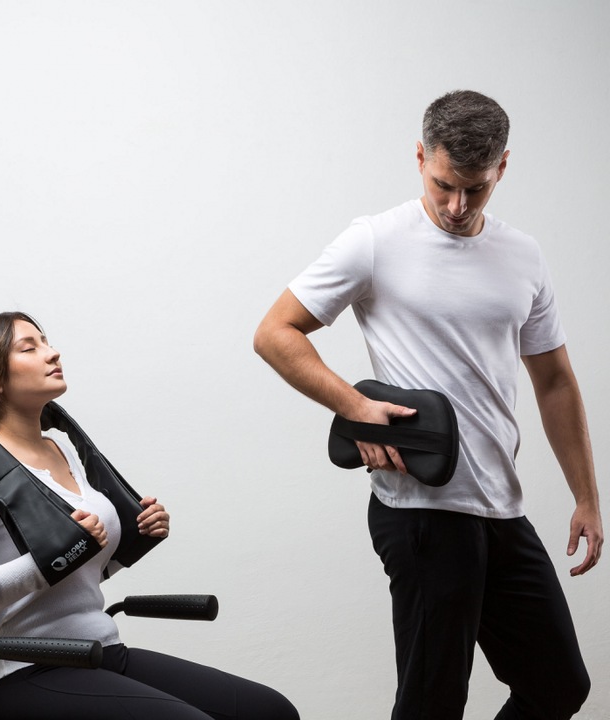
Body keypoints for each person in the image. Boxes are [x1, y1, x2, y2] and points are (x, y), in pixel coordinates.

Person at [253, 90, 603, 719]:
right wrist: (353, 404)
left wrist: (586, 496)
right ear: (420, 157)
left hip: (500, 505)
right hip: (421, 508)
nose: (457, 206)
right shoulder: (375, 240)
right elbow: (275, 332)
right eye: (444, 185)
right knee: (432, 704)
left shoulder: (523, 255)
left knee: (558, 686)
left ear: (502, 167)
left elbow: (554, 381)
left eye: (475, 188)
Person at [0, 311, 300, 720]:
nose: (52, 353)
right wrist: (49, 559)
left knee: (270, 711)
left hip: (100, 652)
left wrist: (137, 538)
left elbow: (77, 573)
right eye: (29, 348)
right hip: (28, 669)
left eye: (46, 341)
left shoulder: (62, 449)